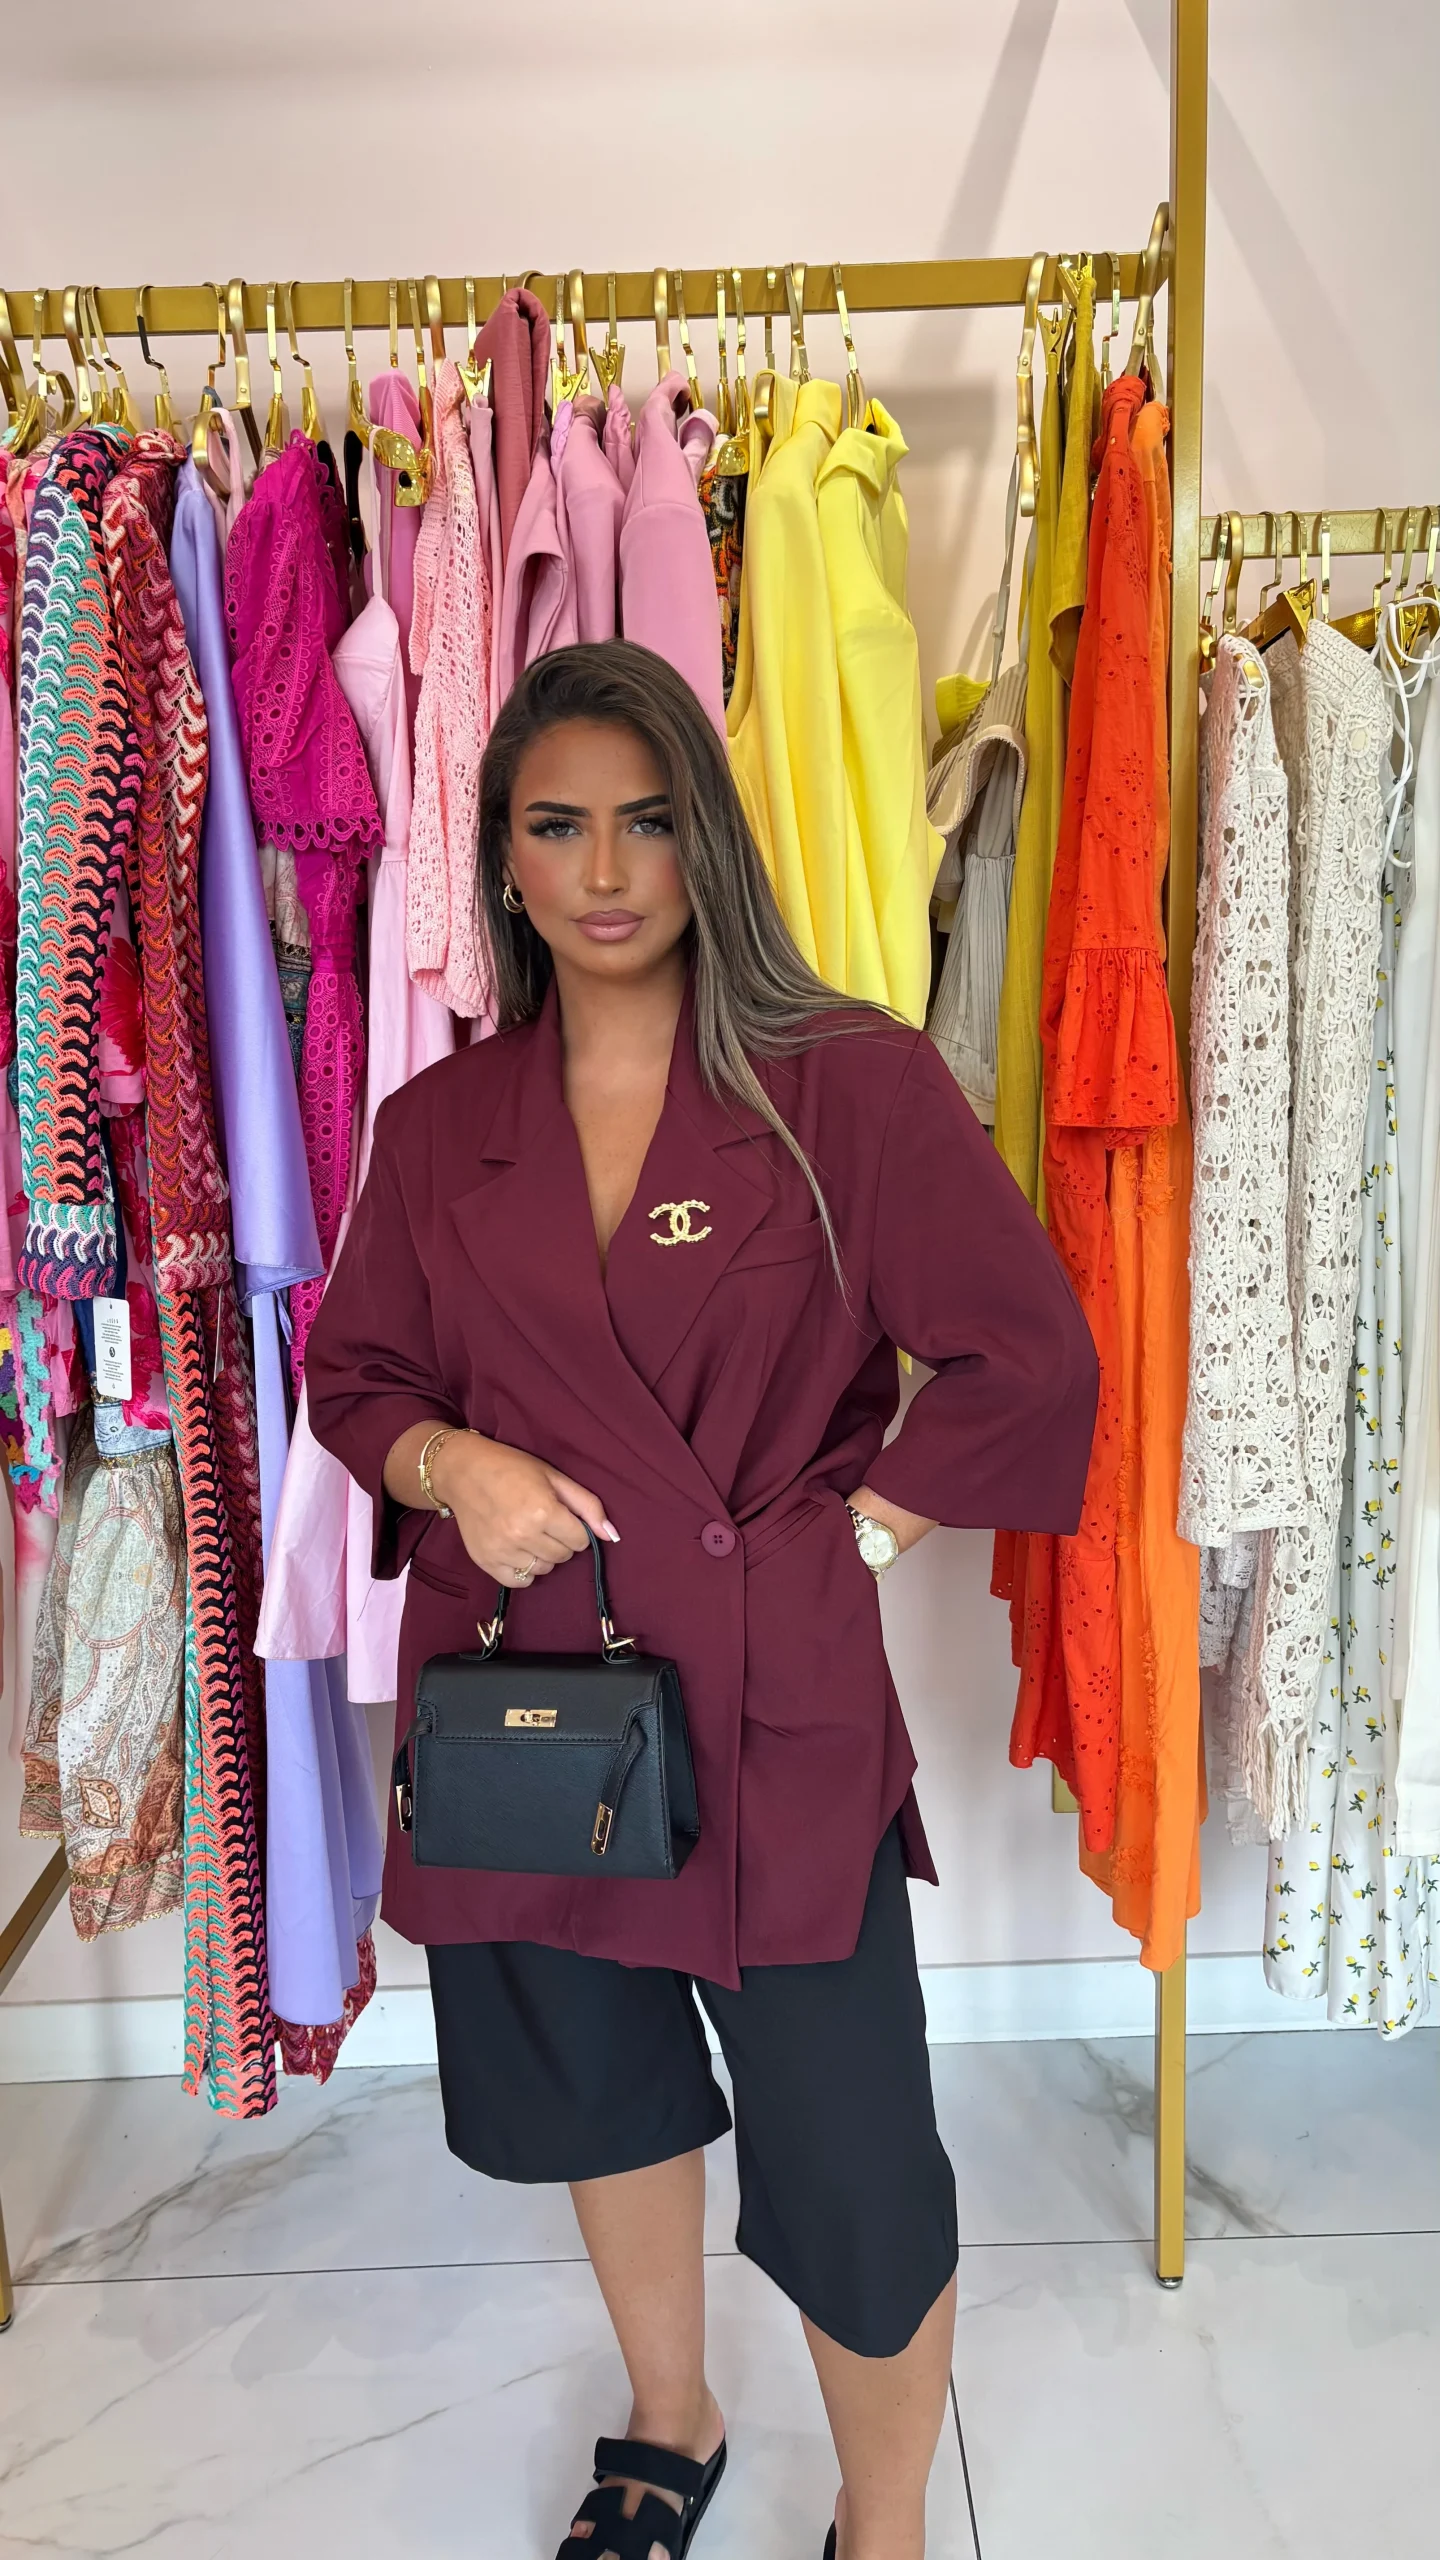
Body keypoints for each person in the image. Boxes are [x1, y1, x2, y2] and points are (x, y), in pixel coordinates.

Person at [307, 640, 1097, 2560]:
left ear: (706, 842)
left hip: (772, 1698)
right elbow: (358, 1380)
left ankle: (886, 2525)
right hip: (526, 1704)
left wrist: (857, 1537)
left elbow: (1027, 1357)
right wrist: (452, 1468)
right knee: (605, 2091)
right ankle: (671, 2422)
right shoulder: (441, 1126)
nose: (604, 871)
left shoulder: (848, 1083)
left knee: (852, 2156)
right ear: (499, 858)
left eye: (648, 822)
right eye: (556, 826)